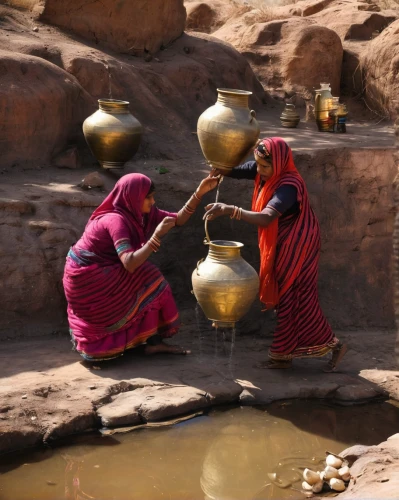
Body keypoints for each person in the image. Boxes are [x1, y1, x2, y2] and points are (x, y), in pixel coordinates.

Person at [205, 137, 347, 371]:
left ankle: (335, 345)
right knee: (286, 296)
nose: (258, 170)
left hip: (300, 242)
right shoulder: (266, 169)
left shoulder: (289, 186)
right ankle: (283, 355)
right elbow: (238, 171)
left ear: (279, 163)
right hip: (284, 239)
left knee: (297, 296)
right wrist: (219, 166)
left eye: (264, 166)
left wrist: (231, 210)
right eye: (257, 165)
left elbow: (267, 217)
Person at [63, 172, 219, 362]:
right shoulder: (115, 220)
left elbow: (177, 220)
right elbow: (129, 264)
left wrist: (200, 192)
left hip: (108, 270)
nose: (153, 202)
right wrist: (156, 237)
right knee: (150, 277)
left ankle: (152, 343)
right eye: (149, 197)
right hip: (88, 280)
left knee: (149, 276)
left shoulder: (139, 214)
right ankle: (138, 342)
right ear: (134, 197)